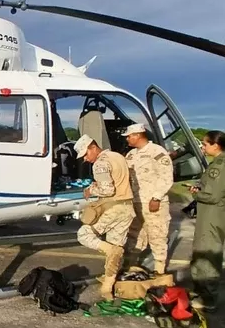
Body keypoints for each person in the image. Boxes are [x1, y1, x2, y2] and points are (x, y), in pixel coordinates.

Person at [74, 134, 135, 300]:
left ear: (93, 147)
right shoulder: (118, 156)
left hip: (113, 208)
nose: (86, 159)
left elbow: (108, 190)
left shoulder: (100, 163)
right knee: (115, 250)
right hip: (127, 207)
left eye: (86, 154)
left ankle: (110, 250)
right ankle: (107, 288)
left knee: (84, 235)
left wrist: (90, 190)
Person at [187, 130, 225, 311]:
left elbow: (213, 195)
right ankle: (202, 291)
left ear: (215, 145)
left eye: (205, 144)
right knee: (203, 252)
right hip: (213, 214)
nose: (203, 147)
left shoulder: (219, 166)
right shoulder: (220, 163)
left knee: (207, 255)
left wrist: (196, 193)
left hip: (212, 214)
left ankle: (208, 298)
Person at [122, 123, 174, 275]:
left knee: (157, 234)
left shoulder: (157, 152)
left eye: (129, 136)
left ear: (138, 135)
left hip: (153, 202)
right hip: (136, 201)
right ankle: (131, 264)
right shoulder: (131, 155)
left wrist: (156, 198)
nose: (127, 140)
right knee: (134, 233)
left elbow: (166, 177)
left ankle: (159, 269)